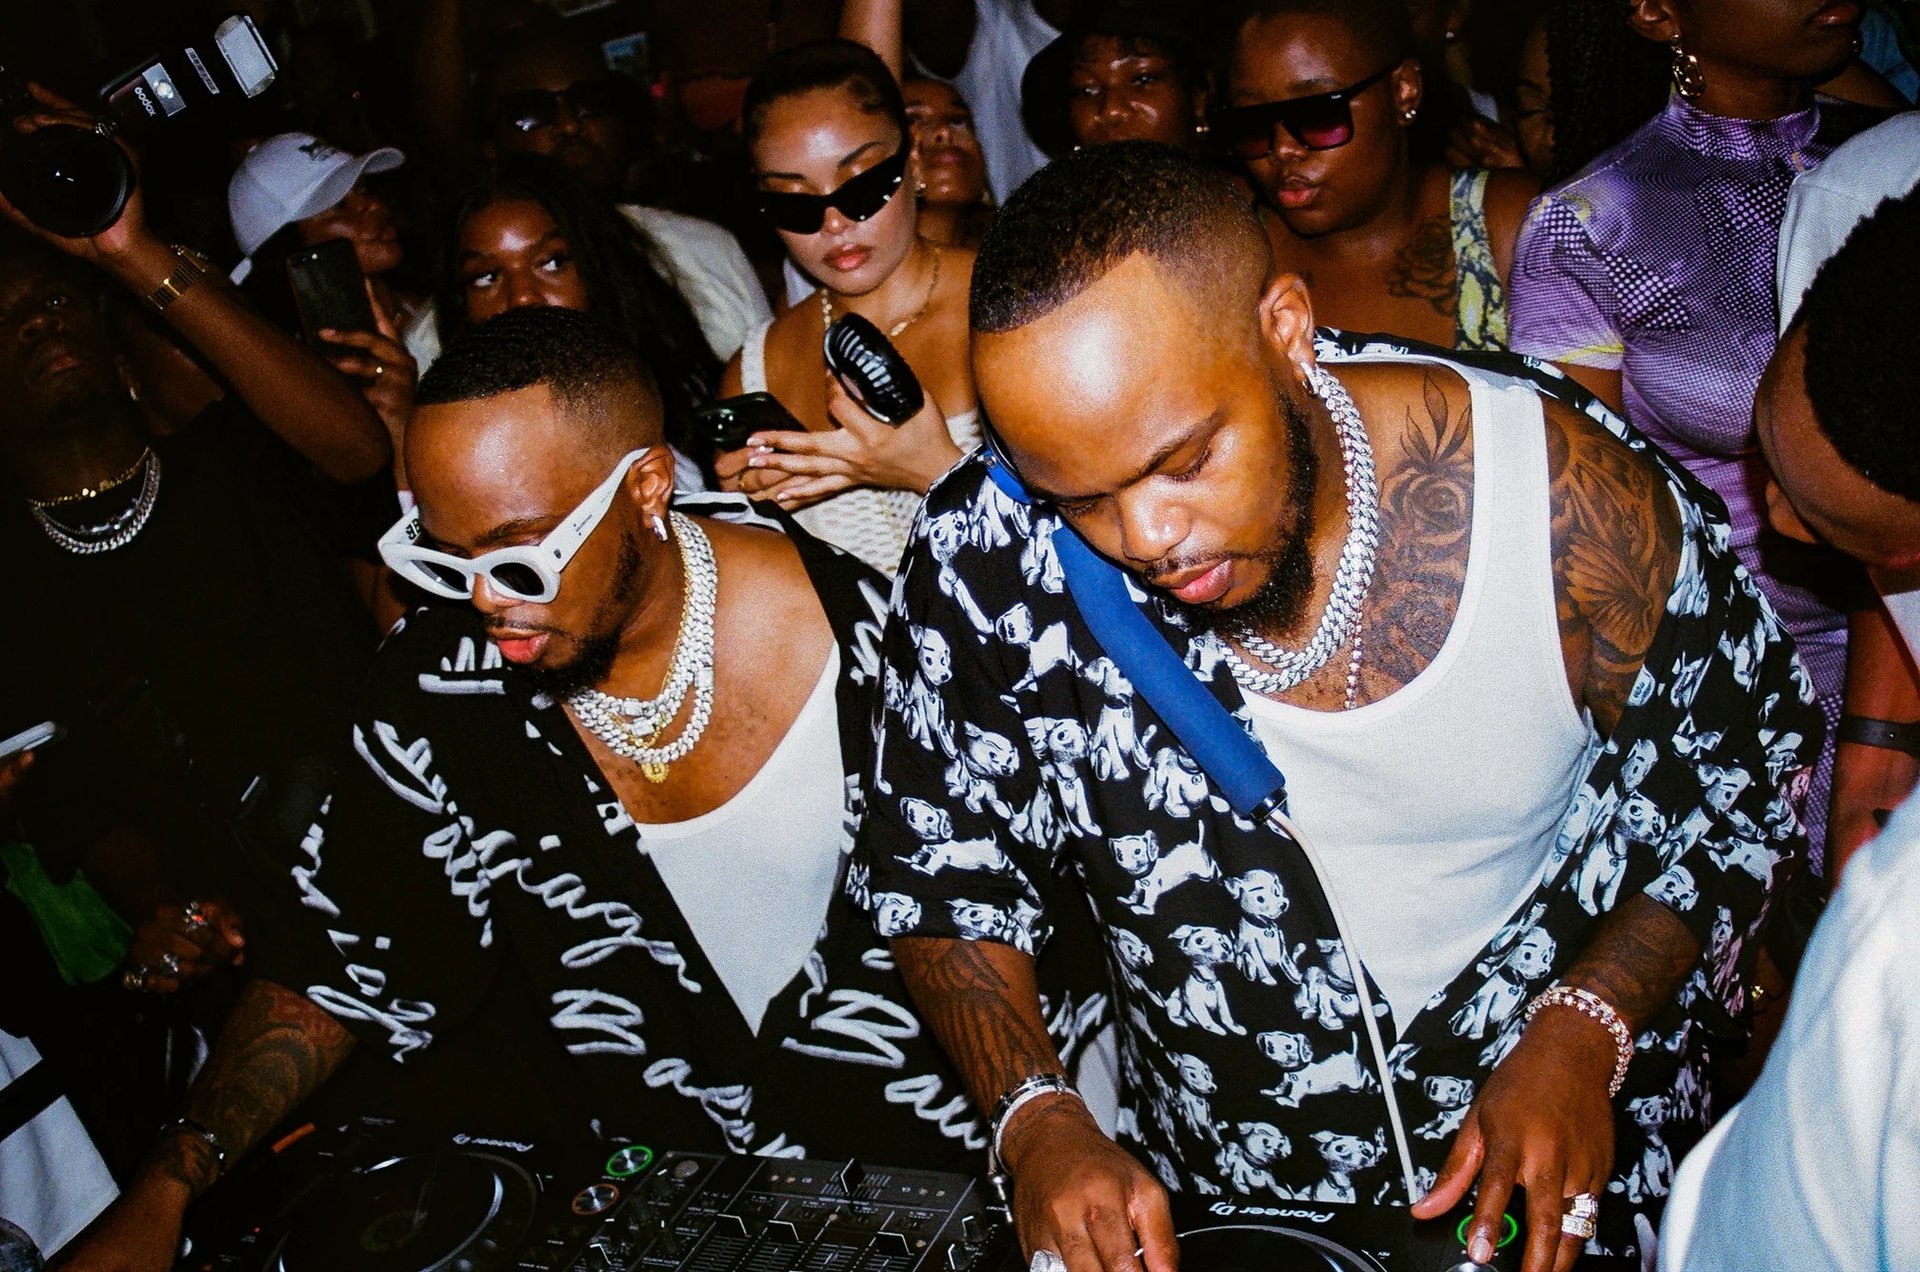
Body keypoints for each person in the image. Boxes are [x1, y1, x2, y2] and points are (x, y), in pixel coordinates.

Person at [862, 142, 1821, 1271]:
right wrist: (1035, 1116)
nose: (1145, 537)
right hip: (1230, 1204)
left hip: (1559, 1171)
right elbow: (942, 868)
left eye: (1186, 459)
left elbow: (1742, 783)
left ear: (1284, 327)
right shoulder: (989, 553)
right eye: (1082, 498)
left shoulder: (1555, 490)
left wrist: (1587, 1025)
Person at [53, 306, 1108, 1272]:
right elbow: (342, 956)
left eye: (519, 561)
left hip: (974, 1216)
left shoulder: (892, 653)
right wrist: (167, 1188)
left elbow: (1054, 941)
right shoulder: (444, 694)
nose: (480, 603)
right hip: (696, 1234)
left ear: (647, 489)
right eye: (440, 558)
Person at [1508, 0, 1883, 874]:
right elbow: (1581, 535)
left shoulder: (1891, 166)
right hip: (1735, 674)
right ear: (1654, 12)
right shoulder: (1597, 221)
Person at [1660, 182, 1920, 1271]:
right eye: (1767, 452)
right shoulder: (1874, 188)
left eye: (1831, 533)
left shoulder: (1902, 933)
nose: (1770, 518)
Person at [715, 40, 981, 577]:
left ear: (913, 163)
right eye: (796, 202)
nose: (834, 223)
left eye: (862, 187)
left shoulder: (1013, 301)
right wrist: (749, 525)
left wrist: (933, 470)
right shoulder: (753, 373)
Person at [1220, 0, 1539, 351]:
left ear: (1404, 91)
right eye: (1252, 122)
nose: (1282, 149)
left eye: (1318, 113)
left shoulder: (1506, 223)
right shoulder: (1229, 235)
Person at [474, 27, 772, 365]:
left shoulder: (704, 248)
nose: (570, 125)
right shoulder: (457, 316)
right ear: (490, 146)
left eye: (590, 101)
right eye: (531, 113)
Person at [439, 154, 721, 492]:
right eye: (486, 277)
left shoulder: (687, 400)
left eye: (552, 262)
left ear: (595, 269)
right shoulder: (460, 446)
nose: (523, 297)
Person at [227, 131, 430, 492]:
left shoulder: (446, 292)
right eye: (337, 205)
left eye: (364, 190)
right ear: (288, 252)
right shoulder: (324, 383)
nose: (373, 207)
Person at [1018, 0, 1215, 157]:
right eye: (1086, 90)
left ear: (1199, 97)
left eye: (1143, 80)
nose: (1111, 110)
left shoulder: (1234, 203)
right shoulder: (1050, 206)